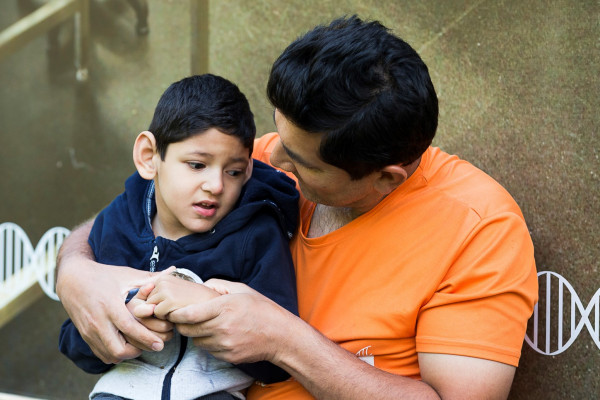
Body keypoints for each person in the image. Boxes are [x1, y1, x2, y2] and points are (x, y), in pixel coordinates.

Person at [56, 16, 538, 400]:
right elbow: (131, 215)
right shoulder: (253, 162)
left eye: (300, 161)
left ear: (385, 177)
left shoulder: (478, 230)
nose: (273, 159)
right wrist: (77, 270)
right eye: (276, 133)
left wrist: (283, 340)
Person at [58, 74, 299, 400]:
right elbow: (76, 346)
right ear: (148, 156)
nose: (216, 185)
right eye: (197, 165)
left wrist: (211, 310)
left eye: (234, 171)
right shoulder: (117, 224)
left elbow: (278, 361)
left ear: (249, 171)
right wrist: (121, 324)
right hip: (121, 390)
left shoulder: (256, 233)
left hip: (213, 392)